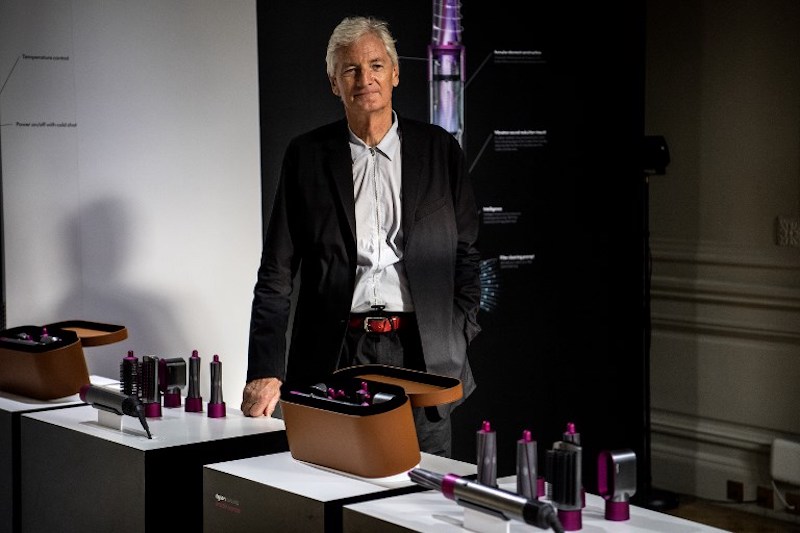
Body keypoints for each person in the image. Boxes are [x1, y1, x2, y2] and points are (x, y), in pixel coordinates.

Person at [240, 15, 481, 457]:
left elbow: (465, 256)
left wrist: (456, 333)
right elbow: (275, 275)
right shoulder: (306, 157)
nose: (364, 78)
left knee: (419, 501)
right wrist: (265, 368)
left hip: (422, 353)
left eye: (374, 65)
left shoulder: (440, 150)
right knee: (332, 486)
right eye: (350, 69)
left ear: (395, 73)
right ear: (334, 83)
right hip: (335, 353)